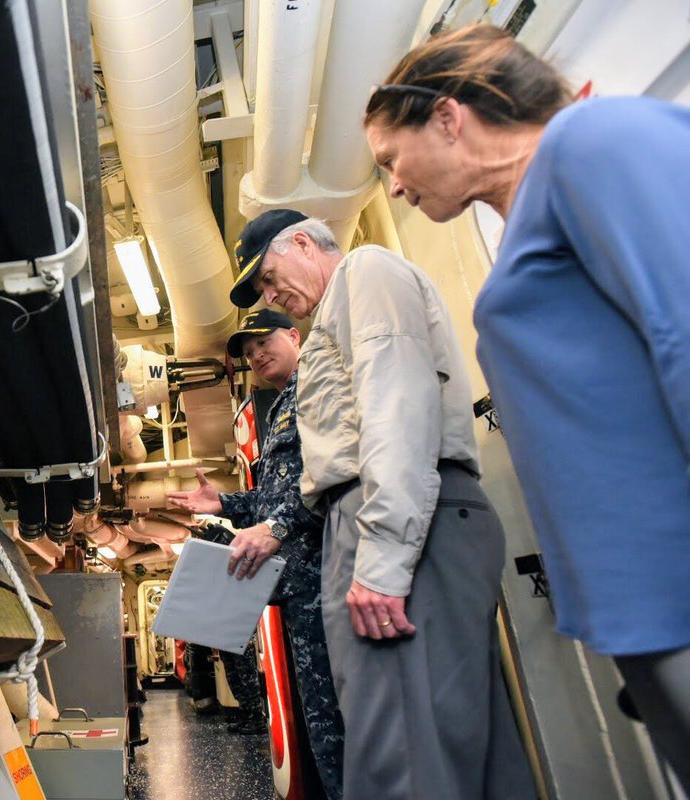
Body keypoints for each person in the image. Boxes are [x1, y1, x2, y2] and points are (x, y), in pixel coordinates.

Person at [364, 24, 690, 787]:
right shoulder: (531, 216)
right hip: (643, 597)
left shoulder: (593, 142)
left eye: (390, 160)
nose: (396, 186)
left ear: (448, 118)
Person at [230, 210, 534, 799]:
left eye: (268, 278)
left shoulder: (363, 273)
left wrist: (383, 563)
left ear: (302, 243)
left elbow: (397, 409)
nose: (271, 297)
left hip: (394, 519)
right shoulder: (333, 316)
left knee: (401, 751)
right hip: (378, 516)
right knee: (449, 746)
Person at [169, 302, 344, 800]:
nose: (257, 355)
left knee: (335, 721)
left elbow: (330, 475)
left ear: (294, 336)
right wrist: (223, 503)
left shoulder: (315, 385)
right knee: (317, 720)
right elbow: (276, 497)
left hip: (325, 583)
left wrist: (278, 526)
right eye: (249, 352)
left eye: (264, 341)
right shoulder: (281, 404)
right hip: (297, 589)